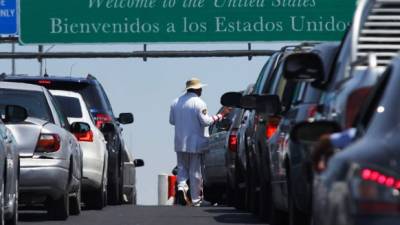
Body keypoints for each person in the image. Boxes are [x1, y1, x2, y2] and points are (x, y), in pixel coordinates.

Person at [169, 78, 231, 207]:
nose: (201, 90)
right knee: (195, 171)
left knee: (182, 168)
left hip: (180, 142)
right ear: (197, 89)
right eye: (200, 88)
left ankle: (181, 188)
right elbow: (206, 122)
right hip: (196, 142)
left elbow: (172, 121)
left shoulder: (175, 102)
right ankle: (196, 200)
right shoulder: (199, 103)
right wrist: (221, 115)